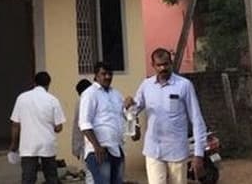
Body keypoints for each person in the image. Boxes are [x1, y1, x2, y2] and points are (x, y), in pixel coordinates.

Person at [125, 48, 207, 184]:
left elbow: (197, 119)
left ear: (171, 63)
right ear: (153, 65)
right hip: (153, 150)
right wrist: (129, 106)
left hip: (177, 151)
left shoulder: (184, 85)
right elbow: (134, 110)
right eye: (159, 65)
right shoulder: (146, 85)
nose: (163, 68)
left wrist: (199, 154)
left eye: (166, 64)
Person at [9, 71, 67, 184]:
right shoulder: (53, 100)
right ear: (48, 84)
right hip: (47, 145)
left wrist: (14, 144)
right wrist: (50, 127)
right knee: (51, 177)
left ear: (34, 83)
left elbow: (15, 124)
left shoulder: (22, 98)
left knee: (28, 178)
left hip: (28, 145)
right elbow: (59, 127)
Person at [79, 62, 126, 184]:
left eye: (110, 74)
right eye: (103, 74)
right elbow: (84, 123)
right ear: (96, 75)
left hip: (116, 148)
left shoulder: (116, 94)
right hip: (99, 150)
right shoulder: (90, 94)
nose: (107, 77)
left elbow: (125, 116)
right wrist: (97, 146)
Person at [72, 78, 94, 184]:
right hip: (99, 145)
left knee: (90, 175)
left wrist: (76, 148)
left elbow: (77, 128)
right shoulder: (99, 97)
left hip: (87, 146)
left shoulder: (82, 101)